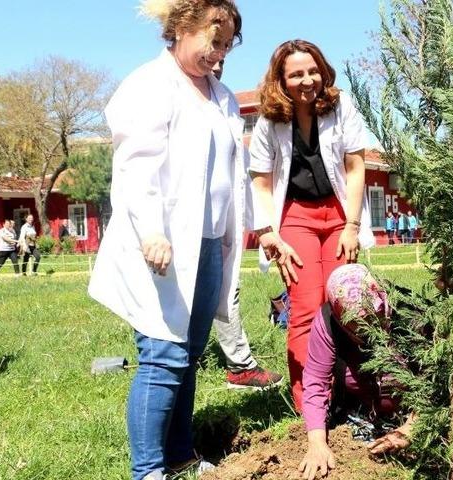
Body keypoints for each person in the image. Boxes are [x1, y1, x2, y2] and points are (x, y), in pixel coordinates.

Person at [87, 2, 245, 479]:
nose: (219, 53)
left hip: (208, 244)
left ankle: (180, 454)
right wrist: (152, 229)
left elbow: (230, 176)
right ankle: (148, 469)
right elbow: (136, 167)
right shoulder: (150, 85)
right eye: (212, 40)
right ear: (180, 28)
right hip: (161, 245)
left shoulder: (224, 96)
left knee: (189, 357)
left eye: (227, 43)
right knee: (163, 355)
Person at [248, 39, 374, 411]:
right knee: (304, 305)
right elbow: (259, 180)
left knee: (344, 302)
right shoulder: (269, 119)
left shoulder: (342, 105)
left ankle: (353, 390)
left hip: (338, 215)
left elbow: (355, 167)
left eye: (313, 70)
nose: (307, 80)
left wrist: (352, 225)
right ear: (281, 81)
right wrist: (268, 233)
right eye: (296, 74)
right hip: (296, 217)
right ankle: (310, 403)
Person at [206, 58, 284, 391]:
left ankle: (239, 366)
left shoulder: (226, 100)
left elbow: (242, 174)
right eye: (214, 49)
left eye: (225, 54)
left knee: (225, 293)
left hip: (222, 224)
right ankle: (170, 364)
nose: (219, 62)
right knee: (183, 299)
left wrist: (262, 229)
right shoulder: (163, 89)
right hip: (180, 228)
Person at [299, 264, 414, 480]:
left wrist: (409, 429)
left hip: (416, 412)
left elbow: (436, 382)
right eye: (356, 325)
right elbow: (315, 382)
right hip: (361, 414)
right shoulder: (328, 322)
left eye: (375, 317)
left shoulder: (410, 315)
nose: (370, 328)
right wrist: (317, 444)